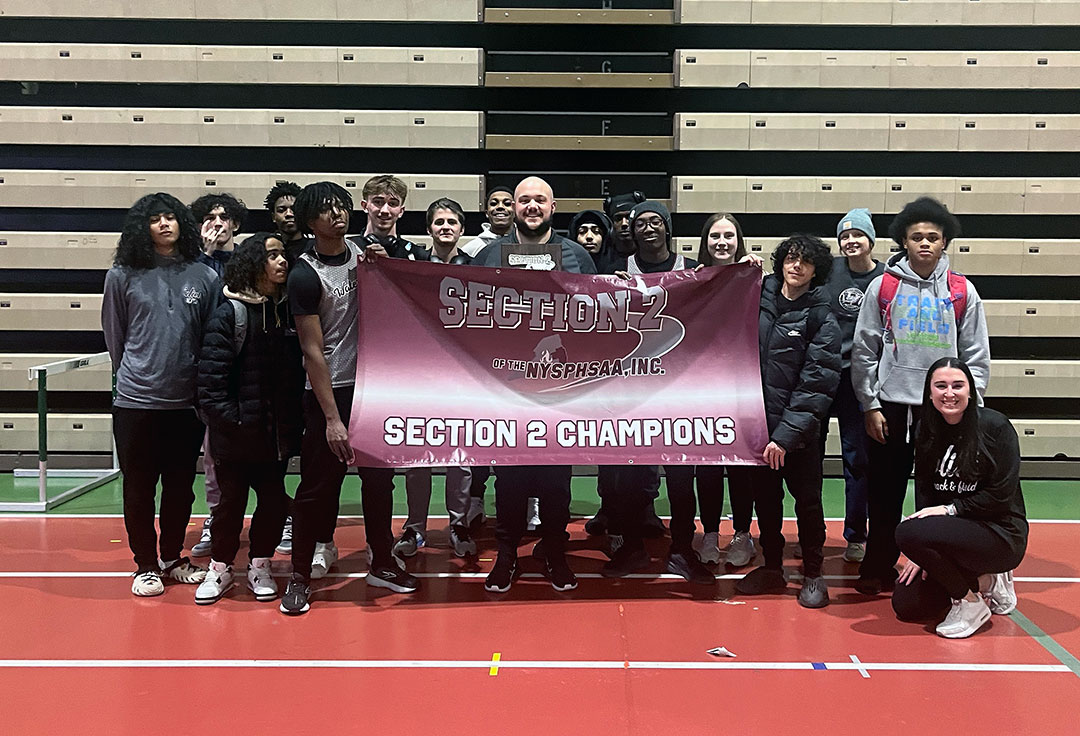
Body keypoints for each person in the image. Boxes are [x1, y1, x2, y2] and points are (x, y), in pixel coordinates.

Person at [279, 181, 419, 615]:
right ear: (309, 221)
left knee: (379, 481)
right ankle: (300, 575)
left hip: (373, 388)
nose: (337, 214)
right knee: (318, 488)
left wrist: (382, 264)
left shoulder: (366, 257)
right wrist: (332, 420)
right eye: (326, 209)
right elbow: (312, 352)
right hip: (331, 393)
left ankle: (382, 562)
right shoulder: (304, 274)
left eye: (341, 206)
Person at [851, 197, 991, 595]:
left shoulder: (961, 290)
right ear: (904, 241)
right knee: (884, 491)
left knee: (937, 494)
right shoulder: (884, 286)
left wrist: (970, 407)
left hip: (943, 410)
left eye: (933, 237)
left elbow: (976, 354)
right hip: (891, 407)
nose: (925, 243)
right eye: (917, 237)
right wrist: (870, 403)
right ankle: (877, 564)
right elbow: (864, 349)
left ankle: (935, 569)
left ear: (945, 241)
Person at [473, 176, 596, 594]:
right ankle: (507, 554)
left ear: (552, 207)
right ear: (513, 206)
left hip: (561, 389)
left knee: (556, 480)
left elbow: (598, 318)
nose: (531, 206)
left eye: (539, 200)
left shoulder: (578, 256)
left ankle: (555, 552)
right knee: (510, 479)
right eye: (524, 199)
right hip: (507, 388)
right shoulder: (489, 255)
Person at [101, 193, 217, 596]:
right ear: (143, 227)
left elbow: (209, 338)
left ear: (182, 223)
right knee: (139, 487)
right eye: (155, 219)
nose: (164, 224)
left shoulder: (204, 276)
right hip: (136, 402)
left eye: (170, 217)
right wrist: (136, 374)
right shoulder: (121, 275)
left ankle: (172, 557)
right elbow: (115, 336)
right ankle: (145, 565)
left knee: (181, 487)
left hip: (185, 403)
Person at [601, 201, 714, 585]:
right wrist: (609, 290)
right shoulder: (619, 270)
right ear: (631, 231)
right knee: (629, 479)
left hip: (678, 392)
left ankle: (682, 549)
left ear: (667, 227)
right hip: (632, 392)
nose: (648, 228)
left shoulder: (690, 269)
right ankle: (632, 546)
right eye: (641, 223)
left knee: (681, 479)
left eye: (655, 222)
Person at [194, 233, 304, 604]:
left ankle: (260, 565)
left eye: (282, 254)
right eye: (272, 255)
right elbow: (210, 386)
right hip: (236, 438)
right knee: (229, 507)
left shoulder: (288, 312)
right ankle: (221, 568)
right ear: (254, 262)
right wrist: (237, 423)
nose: (282, 261)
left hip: (275, 437)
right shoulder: (230, 313)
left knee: (273, 504)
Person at [734, 234, 840, 608]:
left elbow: (817, 383)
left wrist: (785, 436)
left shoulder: (821, 316)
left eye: (805, 261)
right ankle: (772, 568)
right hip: (758, 428)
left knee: (808, 503)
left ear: (816, 270)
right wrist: (736, 273)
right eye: (791, 258)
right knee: (766, 502)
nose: (796, 266)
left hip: (798, 436)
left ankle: (813, 574)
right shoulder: (758, 297)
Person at [892, 358, 1026, 638]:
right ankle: (988, 582)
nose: (949, 393)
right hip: (954, 532)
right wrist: (920, 549)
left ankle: (969, 603)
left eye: (957, 386)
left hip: (999, 532)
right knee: (908, 605)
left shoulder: (996, 427)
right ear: (929, 393)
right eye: (940, 386)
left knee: (906, 531)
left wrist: (950, 510)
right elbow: (925, 491)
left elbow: (1001, 495)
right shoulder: (926, 428)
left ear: (970, 390)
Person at [393, 198, 477, 559]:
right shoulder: (411, 267)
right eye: (439, 222)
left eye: (452, 222)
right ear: (429, 228)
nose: (445, 227)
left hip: (463, 376)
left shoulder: (475, 268)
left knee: (461, 455)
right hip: (420, 376)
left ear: (461, 229)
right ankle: (415, 527)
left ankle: (459, 524)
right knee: (418, 456)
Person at [818, 208, 885, 565]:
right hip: (822, 374)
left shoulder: (886, 278)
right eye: (844, 236)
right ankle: (812, 533)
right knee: (807, 459)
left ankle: (856, 535)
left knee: (857, 459)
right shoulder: (829, 271)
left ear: (870, 239)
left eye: (857, 235)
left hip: (859, 379)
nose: (850, 241)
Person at [693, 213, 756, 568]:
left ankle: (743, 533)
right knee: (708, 468)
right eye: (715, 236)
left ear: (738, 241)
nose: (721, 242)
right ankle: (711, 533)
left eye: (728, 236)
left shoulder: (753, 277)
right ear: (705, 242)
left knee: (741, 466)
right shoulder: (693, 280)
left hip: (741, 387)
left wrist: (754, 272)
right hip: (702, 388)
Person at [188, 192, 248, 558]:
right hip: (208, 368)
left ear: (236, 224)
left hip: (246, 366)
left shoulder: (247, 259)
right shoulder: (190, 264)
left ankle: (278, 515)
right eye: (209, 217)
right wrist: (205, 255)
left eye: (224, 217)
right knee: (212, 452)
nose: (217, 223)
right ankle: (217, 517)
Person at [358, 174, 430, 261]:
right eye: (378, 202)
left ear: (401, 211)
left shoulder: (418, 255)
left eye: (392, 204)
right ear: (365, 206)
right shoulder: (350, 249)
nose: (385, 210)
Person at [265, 181, 310, 267]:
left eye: (294, 209)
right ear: (273, 217)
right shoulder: (266, 249)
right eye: (281, 210)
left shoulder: (315, 248)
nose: (289, 214)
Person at [461, 186, 513, 257]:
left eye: (507, 204)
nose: (500, 207)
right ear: (486, 213)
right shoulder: (473, 247)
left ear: (515, 211)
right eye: (493, 203)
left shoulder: (524, 242)